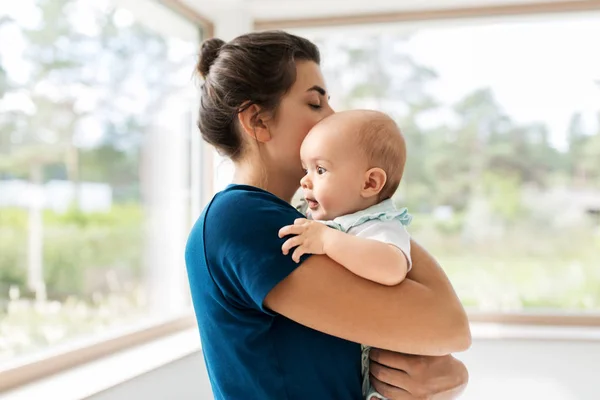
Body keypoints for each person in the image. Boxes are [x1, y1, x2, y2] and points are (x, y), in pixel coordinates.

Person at [185, 30, 471, 400]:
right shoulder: (241, 220)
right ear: (258, 121)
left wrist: (445, 378)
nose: (333, 118)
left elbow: (444, 333)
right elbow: (448, 326)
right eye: (315, 103)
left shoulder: (309, 223)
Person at [278, 109, 416, 399]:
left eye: (320, 170)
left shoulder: (379, 224)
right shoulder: (328, 220)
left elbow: (392, 266)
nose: (305, 181)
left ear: (370, 184)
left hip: (386, 375)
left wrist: (328, 241)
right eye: (305, 169)